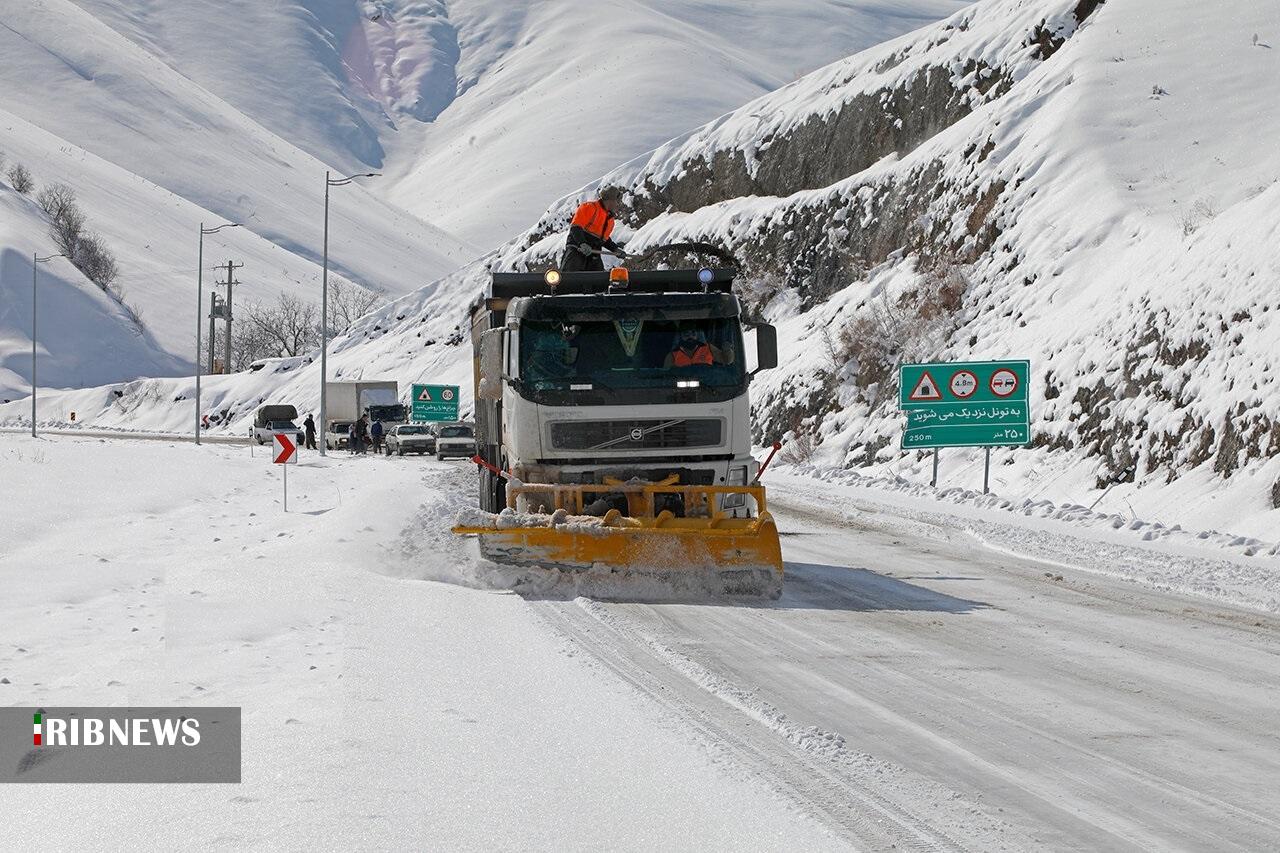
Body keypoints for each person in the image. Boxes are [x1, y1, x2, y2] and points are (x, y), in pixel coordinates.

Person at [561, 187, 627, 272]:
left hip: (594, 253)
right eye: (618, 201)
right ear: (611, 200)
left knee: (597, 279)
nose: (618, 204)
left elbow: (604, 240)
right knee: (570, 278)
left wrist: (615, 249)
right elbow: (576, 228)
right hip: (577, 250)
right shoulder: (590, 207)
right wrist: (582, 243)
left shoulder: (610, 220)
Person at [664, 323, 731, 368]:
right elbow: (666, 376)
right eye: (686, 334)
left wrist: (727, 350)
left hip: (707, 384)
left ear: (698, 335)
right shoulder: (672, 355)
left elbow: (727, 360)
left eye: (693, 333)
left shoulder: (708, 348)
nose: (690, 337)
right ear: (680, 336)